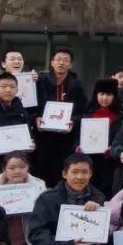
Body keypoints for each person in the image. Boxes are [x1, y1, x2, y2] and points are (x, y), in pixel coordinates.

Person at [32, 47, 86, 186]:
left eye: (65, 60)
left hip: (65, 139)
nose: (61, 63)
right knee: (41, 173)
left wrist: (73, 122)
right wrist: (36, 117)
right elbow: (31, 106)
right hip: (43, 137)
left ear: (71, 65)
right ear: (52, 62)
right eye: (58, 60)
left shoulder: (77, 85)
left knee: (61, 173)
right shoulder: (40, 81)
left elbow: (82, 112)